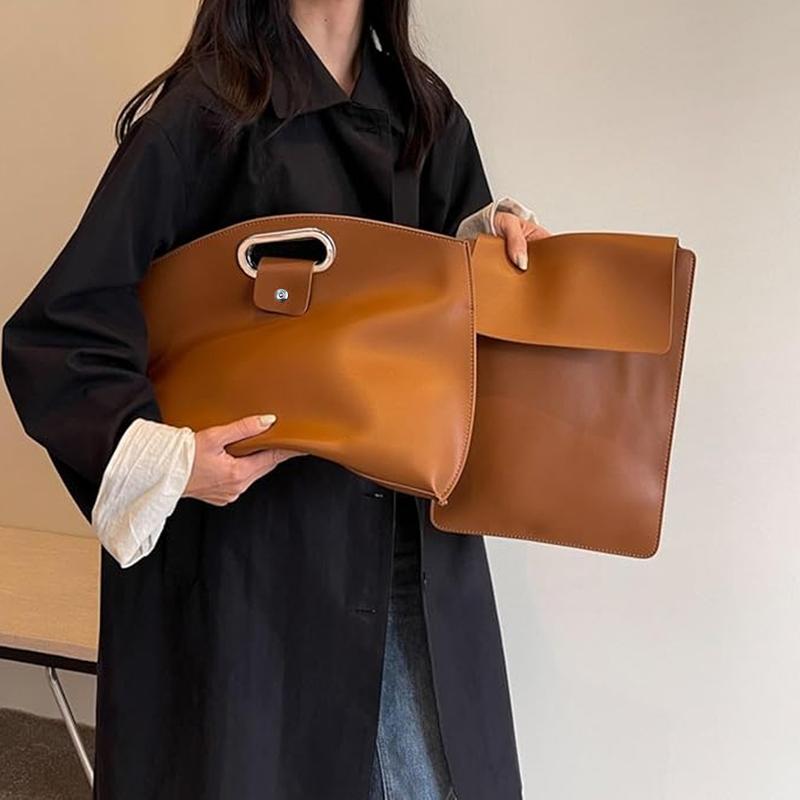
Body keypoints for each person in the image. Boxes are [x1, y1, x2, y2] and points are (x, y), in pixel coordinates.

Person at [2, 1, 552, 798]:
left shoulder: (424, 112)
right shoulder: (207, 114)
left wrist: (494, 253)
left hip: (412, 557)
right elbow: (58, 335)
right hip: (262, 565)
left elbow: (449, 333)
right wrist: (174, 460)